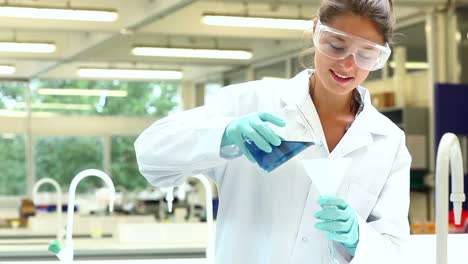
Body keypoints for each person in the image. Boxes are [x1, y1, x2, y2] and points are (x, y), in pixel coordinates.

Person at [134, 0, 411, 263]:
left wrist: (358, 238)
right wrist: (224, 134)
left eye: (365, 55)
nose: (348, 65)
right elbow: (150, 155)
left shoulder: (387, 141)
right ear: (316, 31)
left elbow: (395, 252)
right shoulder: (247, 103)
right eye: (336, 46)